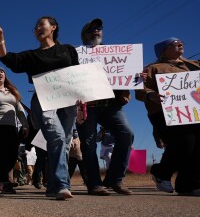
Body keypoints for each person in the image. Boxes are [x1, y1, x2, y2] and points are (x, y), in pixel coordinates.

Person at [0, 17, 81, 200]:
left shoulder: (67, 50)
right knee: (57, 137)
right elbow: (7, 58)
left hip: (68, 101)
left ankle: (52, 185)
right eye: (35, 27)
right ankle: (62, 184)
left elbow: (77, 74)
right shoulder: (32, 56)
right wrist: (0, 36)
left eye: (41, 25)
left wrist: (82, 104)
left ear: (53, 27)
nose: (37, 28)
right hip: (44, 100)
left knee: (63, 143)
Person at [77, 18, 134, 196]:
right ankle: (94, 183)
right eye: (91, 29)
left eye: (99, 28)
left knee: (126, 134)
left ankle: (115, 180)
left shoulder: (115, 55)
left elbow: (125, 74)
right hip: (88, 106)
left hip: (111, 105)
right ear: (84, 36)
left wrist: (135, 75)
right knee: (88, 144)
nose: (96, 31)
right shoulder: (76, 55)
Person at [143, 37, 200, 195]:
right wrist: (151, 95)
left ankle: (189, 185)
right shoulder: (152, 68)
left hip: (193, 111)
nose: (180, 44)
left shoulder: (194, 65)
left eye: (181, 41)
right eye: (174, 43)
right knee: (185, 141)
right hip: (163, 112)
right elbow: (141, 89)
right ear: (164, 50)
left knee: (196, 147)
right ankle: (161, 172)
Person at [0, 67, 28, 194]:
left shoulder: (12, 92)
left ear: (5, 76)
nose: (0, 74)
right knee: (1, 153)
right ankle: (5, 182)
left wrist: (25, 125)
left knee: (13, 154)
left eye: (2, 72)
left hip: (11, 126)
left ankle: (0, 177)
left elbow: (20, 110)